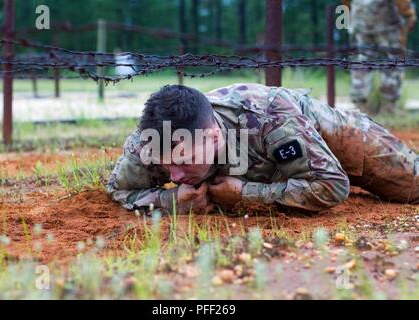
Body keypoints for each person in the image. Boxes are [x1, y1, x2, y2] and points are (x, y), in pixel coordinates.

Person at [107, 84, 419, 214]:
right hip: (270, 163)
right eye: (166, 164)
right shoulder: (150, 142)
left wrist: (247, 194)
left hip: (326, 132)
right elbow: (120, 190)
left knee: (413, 185)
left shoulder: (271, 118)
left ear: (214, 137)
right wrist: (170, 199)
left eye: (184, 161)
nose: (173, 173)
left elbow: (333, 185)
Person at [344, 0, 417, 114]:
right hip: (386, 22)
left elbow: (346, 3)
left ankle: (361, 105)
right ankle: (389, 106)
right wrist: (409, 14)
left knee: (361, 63)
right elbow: (402, 2)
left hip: (360, 20)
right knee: (393, 62)